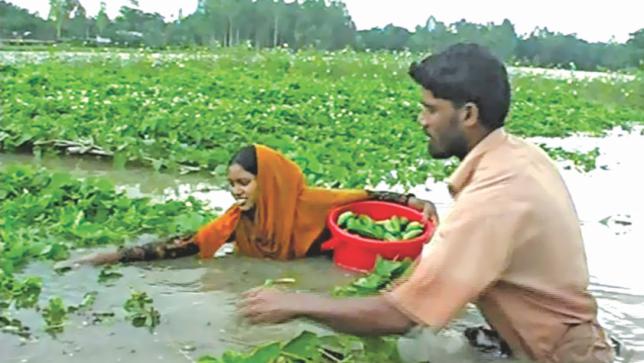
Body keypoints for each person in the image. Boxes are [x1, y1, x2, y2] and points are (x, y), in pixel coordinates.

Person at [238, 43, 614, 363]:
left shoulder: (496, 195)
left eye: (431, 109)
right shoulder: (520, 157)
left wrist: (295, 303)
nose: (422, 120)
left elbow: (402, 315)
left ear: (468, 114)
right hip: (559, 341)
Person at [76, 144, 437, 265]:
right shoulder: (238, 221)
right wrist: (115, 256)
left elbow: (365, 197)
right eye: (232, 185)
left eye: (244, 183)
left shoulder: (314, 203)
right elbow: (187, 245)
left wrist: (412, 200)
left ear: (270, 181)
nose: (236, 192)